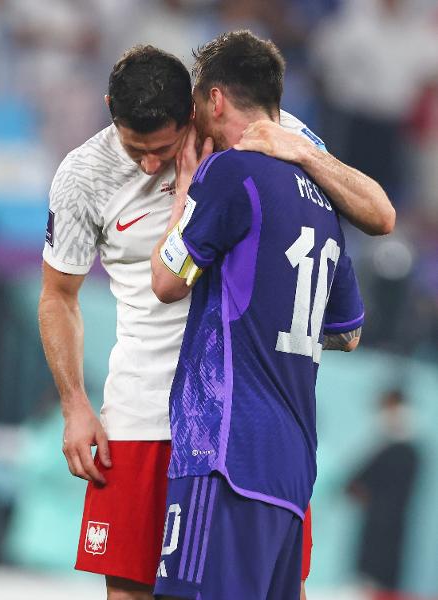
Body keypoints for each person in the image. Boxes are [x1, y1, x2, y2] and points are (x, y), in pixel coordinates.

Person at [39, 43, 393, 600]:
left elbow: (379, 212)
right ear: (110, 109)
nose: (153, 164)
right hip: (142, 418)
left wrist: (302, 151)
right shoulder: (84, 174)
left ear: (199, 109)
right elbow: (58, 295)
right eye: (138, 150)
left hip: (225, 427)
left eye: (164, 147)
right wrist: (75, 404)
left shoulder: (264, 140)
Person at [151, 30, 364, 600]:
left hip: (221, 450)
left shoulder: (230, 173)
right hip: (290, 472)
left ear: (215, 100)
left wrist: (186, 192)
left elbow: (167, 282)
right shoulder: (323, 202)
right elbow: (348, 332)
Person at [346, 389, 420, 600]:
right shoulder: (386, 449)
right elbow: (352, 484)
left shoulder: (405, 452)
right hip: (375, 539)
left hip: (387, 542)